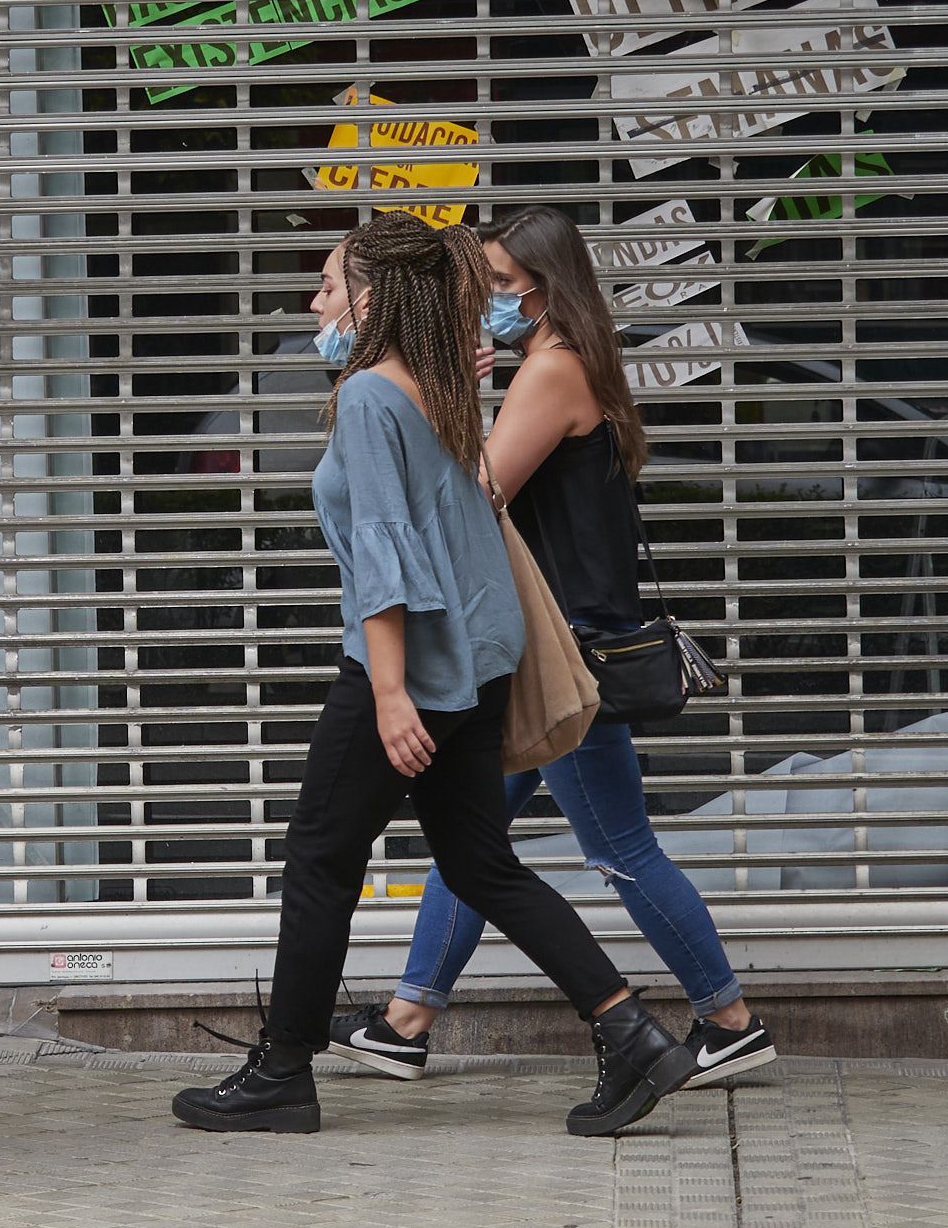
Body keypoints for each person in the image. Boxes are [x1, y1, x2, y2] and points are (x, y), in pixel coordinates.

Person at [172, 212, 700, 1139]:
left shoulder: (378, 397)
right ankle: (633, 1034)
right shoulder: (440, 385)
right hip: (474, 663)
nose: (314, 304)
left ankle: (282, 1072)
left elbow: (385, 555)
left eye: (330, 287)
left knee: (320, 858)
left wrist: (385, 693)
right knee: (482, 863)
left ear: (374, 299)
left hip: (412, 669)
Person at [328, 208, 778, 1092]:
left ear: (544, 287)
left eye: (498, 287)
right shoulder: (578, 363)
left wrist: (441, 395)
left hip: (568, 649)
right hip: (561, 639)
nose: (487, 302)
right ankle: (406, 1020)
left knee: (615, 847)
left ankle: (729, 1021)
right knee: (474, 841)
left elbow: (478, 493)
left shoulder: (551, 370)